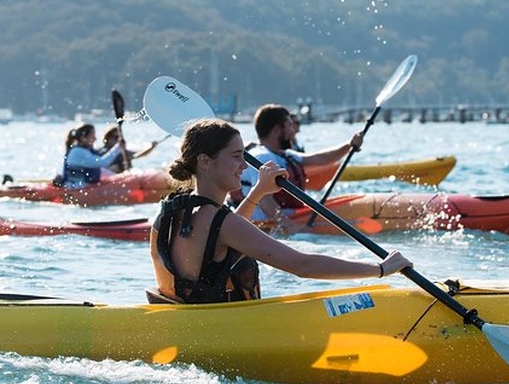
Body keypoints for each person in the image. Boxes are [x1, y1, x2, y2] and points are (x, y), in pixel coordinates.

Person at [149, 118, 412, 304]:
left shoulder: (171, 213)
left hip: (189, 322)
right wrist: (380, 268)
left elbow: (218, 241)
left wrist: (258, 192)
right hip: (224, 330)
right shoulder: (223, 223)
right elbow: (302, 265)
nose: (244, 165)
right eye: (236, 156)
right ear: (205, 162)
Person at [228, 103, 363, 234]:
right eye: (289, 125)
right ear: (276, 130)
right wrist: (288, 226)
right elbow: (264, 199)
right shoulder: (262, 157)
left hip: (287, 217)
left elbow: (320, 159)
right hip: (264, 225)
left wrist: (349, 145)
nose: (293, 131)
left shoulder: (284, 154)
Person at [59, 123, 125, 189]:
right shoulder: (78, 152)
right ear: (83, 138)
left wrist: (121, 177)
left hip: (83, 186)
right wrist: (118, 147)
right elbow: (103, 162)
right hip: (74, 188)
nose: (95, 138)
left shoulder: (84, 150)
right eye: (92, 135)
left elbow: (100, 169)